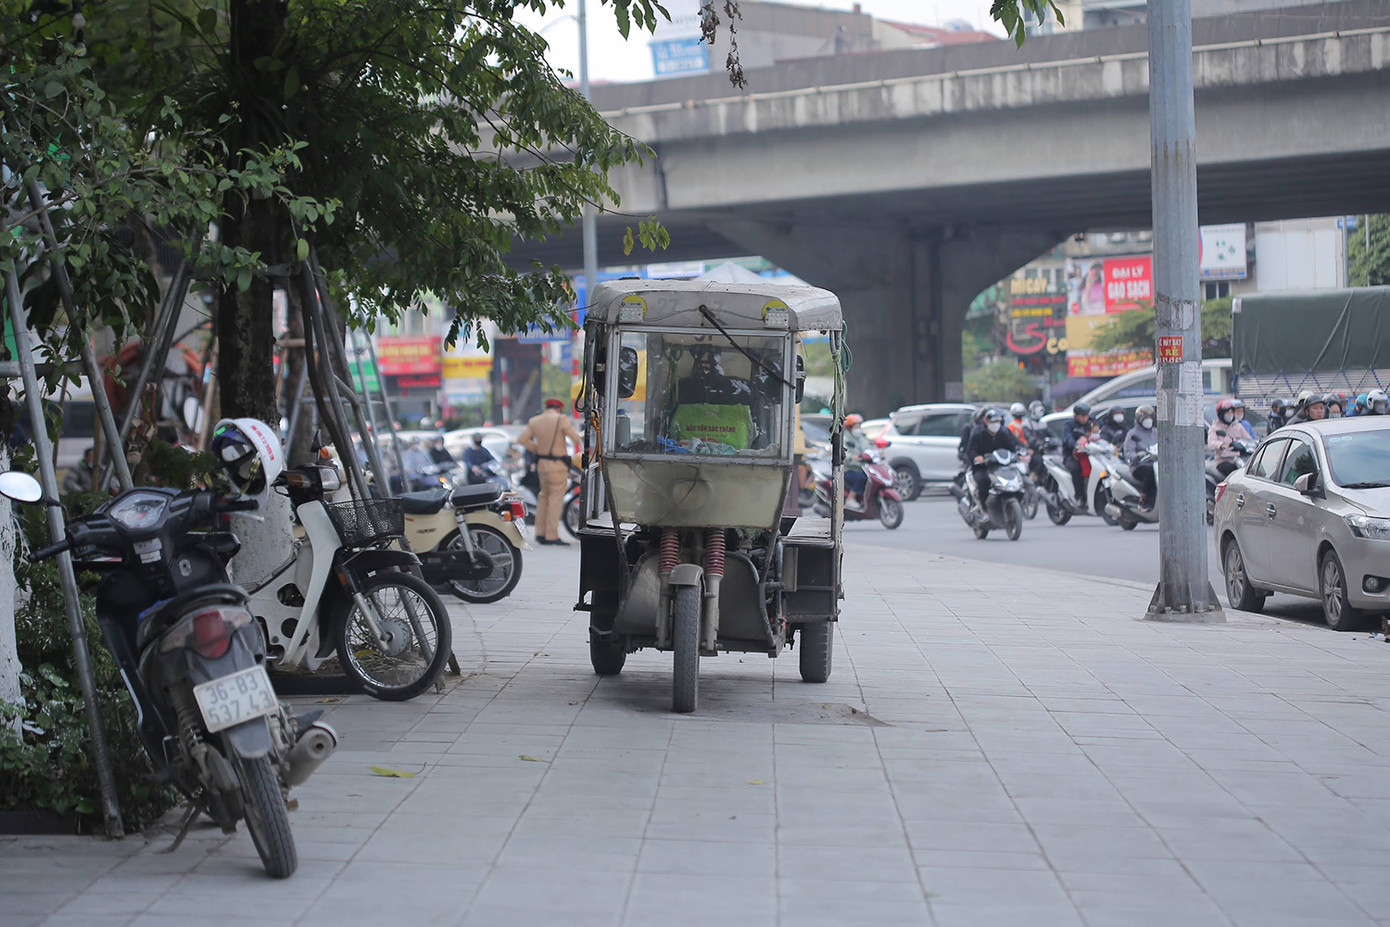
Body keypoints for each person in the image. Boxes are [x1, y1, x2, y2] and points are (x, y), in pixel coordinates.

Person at [520, 398, 582, 545]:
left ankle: (540, 533)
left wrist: (538, 449)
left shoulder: (535, 421)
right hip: (557, 466)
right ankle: (551, 535)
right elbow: (576, 438)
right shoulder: (561, 419)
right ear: (559, 408)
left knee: (543, 498)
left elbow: (521, 439)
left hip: (542, 465)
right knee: (555, 499)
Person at [966, 409, 1021, 513]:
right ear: (986, 422)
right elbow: (970, 450)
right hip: (983, 467)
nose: (995, 425)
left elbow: (1012, 447)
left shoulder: (1003, 434)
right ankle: (984, 509)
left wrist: (1018, 454)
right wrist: (977, 457)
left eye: (997, 422)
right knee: (983, 481)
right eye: (993, 422)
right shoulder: (978, 434)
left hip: (999, 467)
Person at [1123, 405, 1158, 511]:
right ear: (1139, 420)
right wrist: (1137, 455)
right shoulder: (1132, 434)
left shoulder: (1156, 432)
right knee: (1149, 471)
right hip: (1139, 465)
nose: (1148, 421)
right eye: (1145, 418)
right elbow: (1128, 451)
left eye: (1150, 418)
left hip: (1156, 462)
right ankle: (1144, 499)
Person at [1060, 402, 1092, 509]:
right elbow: (1067, 438)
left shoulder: (1091, 423)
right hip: (1071, 455)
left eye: (1086, 415)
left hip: (1089, 455)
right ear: (1076, 415)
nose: (1085, 418)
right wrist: (1075, 445)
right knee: (1076, 469)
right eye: (1083, 415)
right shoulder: (1069, 425)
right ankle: (1079, 497)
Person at [1208, 399, 1243, 477]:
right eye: (1227, 412)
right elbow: (1211, 443)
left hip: (1239, 458)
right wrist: (1221, 445)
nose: (1230, 414)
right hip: (1223, 461)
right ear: (1221, 414)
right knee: (1234, 472)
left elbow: (1248, 438)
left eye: (1231, 412)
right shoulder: (1215, 428)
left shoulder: (1238, 426)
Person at [842, 413, 870, 508]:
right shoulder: (845, 439)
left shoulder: (861, 438)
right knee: (861, 478)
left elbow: (869, 448)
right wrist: (852, 456)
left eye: (859, 426)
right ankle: (850, 499)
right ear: (850, 427)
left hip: (863, 467)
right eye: (856, 426)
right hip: (849, 469)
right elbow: (845, 454)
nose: (858, 429)